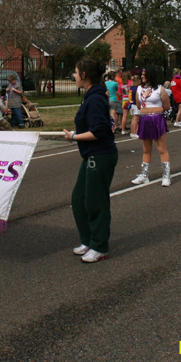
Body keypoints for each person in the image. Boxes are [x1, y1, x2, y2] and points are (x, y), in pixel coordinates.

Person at [63, 57, 118, 263]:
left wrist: (74, 137)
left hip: (101, 155)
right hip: (92, 155)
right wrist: (76, 134)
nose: (74, 76)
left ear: (84, 75)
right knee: (79, 199)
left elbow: (98, 132)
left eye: (76, 73)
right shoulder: (91, 96)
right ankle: (88, 241)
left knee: (96, 202)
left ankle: (100, 246)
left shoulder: (95, 98)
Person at [131, 67, 172, 186]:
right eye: (142, 74)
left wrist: (155, 111)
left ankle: (166, 176)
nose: (142, 76)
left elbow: (167, 106)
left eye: (144, 74)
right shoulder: (139, 88)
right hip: (144, 120)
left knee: (161, 149)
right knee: (146, 150)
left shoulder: (160, 89)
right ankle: (144, 175)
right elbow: (139, 106)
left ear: (150, 75)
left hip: (157, 120)